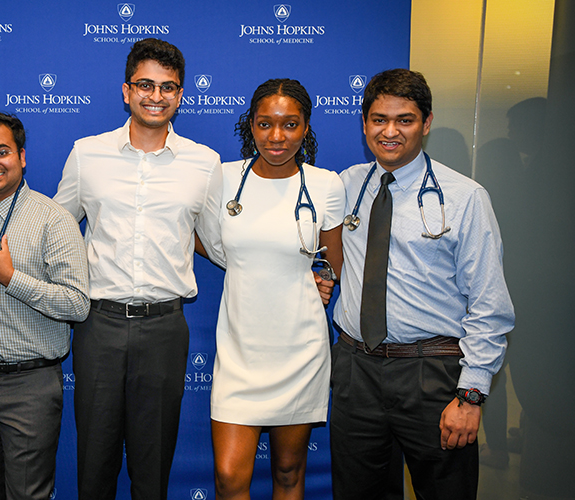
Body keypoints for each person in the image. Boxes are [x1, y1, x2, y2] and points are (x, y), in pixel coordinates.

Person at [330, 68, 514, 499]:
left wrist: (471, 395)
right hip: (357, 370)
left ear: (426, 123)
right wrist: (323, 276)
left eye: (405, 120)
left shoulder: (465, 197)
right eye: (378, 119)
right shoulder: (347, 185)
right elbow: (327, 251)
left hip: (432, 373)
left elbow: (489, 304)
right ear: (364, 122)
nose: (389, 131)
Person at [54, 38, 222, 500]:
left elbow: (219, 243)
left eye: (168, 87)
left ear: (181, 95)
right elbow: (54, 225)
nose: (156, 96)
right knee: (95, 461)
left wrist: (292, 264)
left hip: (166, 328)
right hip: (98, 325)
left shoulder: (204, 163)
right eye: (145, 85)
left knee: (153, 463)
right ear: (126, 91)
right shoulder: (88, 153)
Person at [202, 79, 344, 500]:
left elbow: (333, 258)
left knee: (287, 471)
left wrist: (322, 281)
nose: (277, 137)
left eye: (290, 124)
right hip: (240, 349)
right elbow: (198, 236)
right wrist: (243, 263)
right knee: (229, 478)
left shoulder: (325, 185)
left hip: (299, 348)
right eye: (265, 124)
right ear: (251, 125)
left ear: (306, 128)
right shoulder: (224, 178)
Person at [0, 110, 89, 500]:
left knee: (28, 494)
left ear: (22, 157)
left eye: (2, 152)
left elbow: (78, 304)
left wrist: (10, 278)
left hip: (29, 385)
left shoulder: (54, 220)